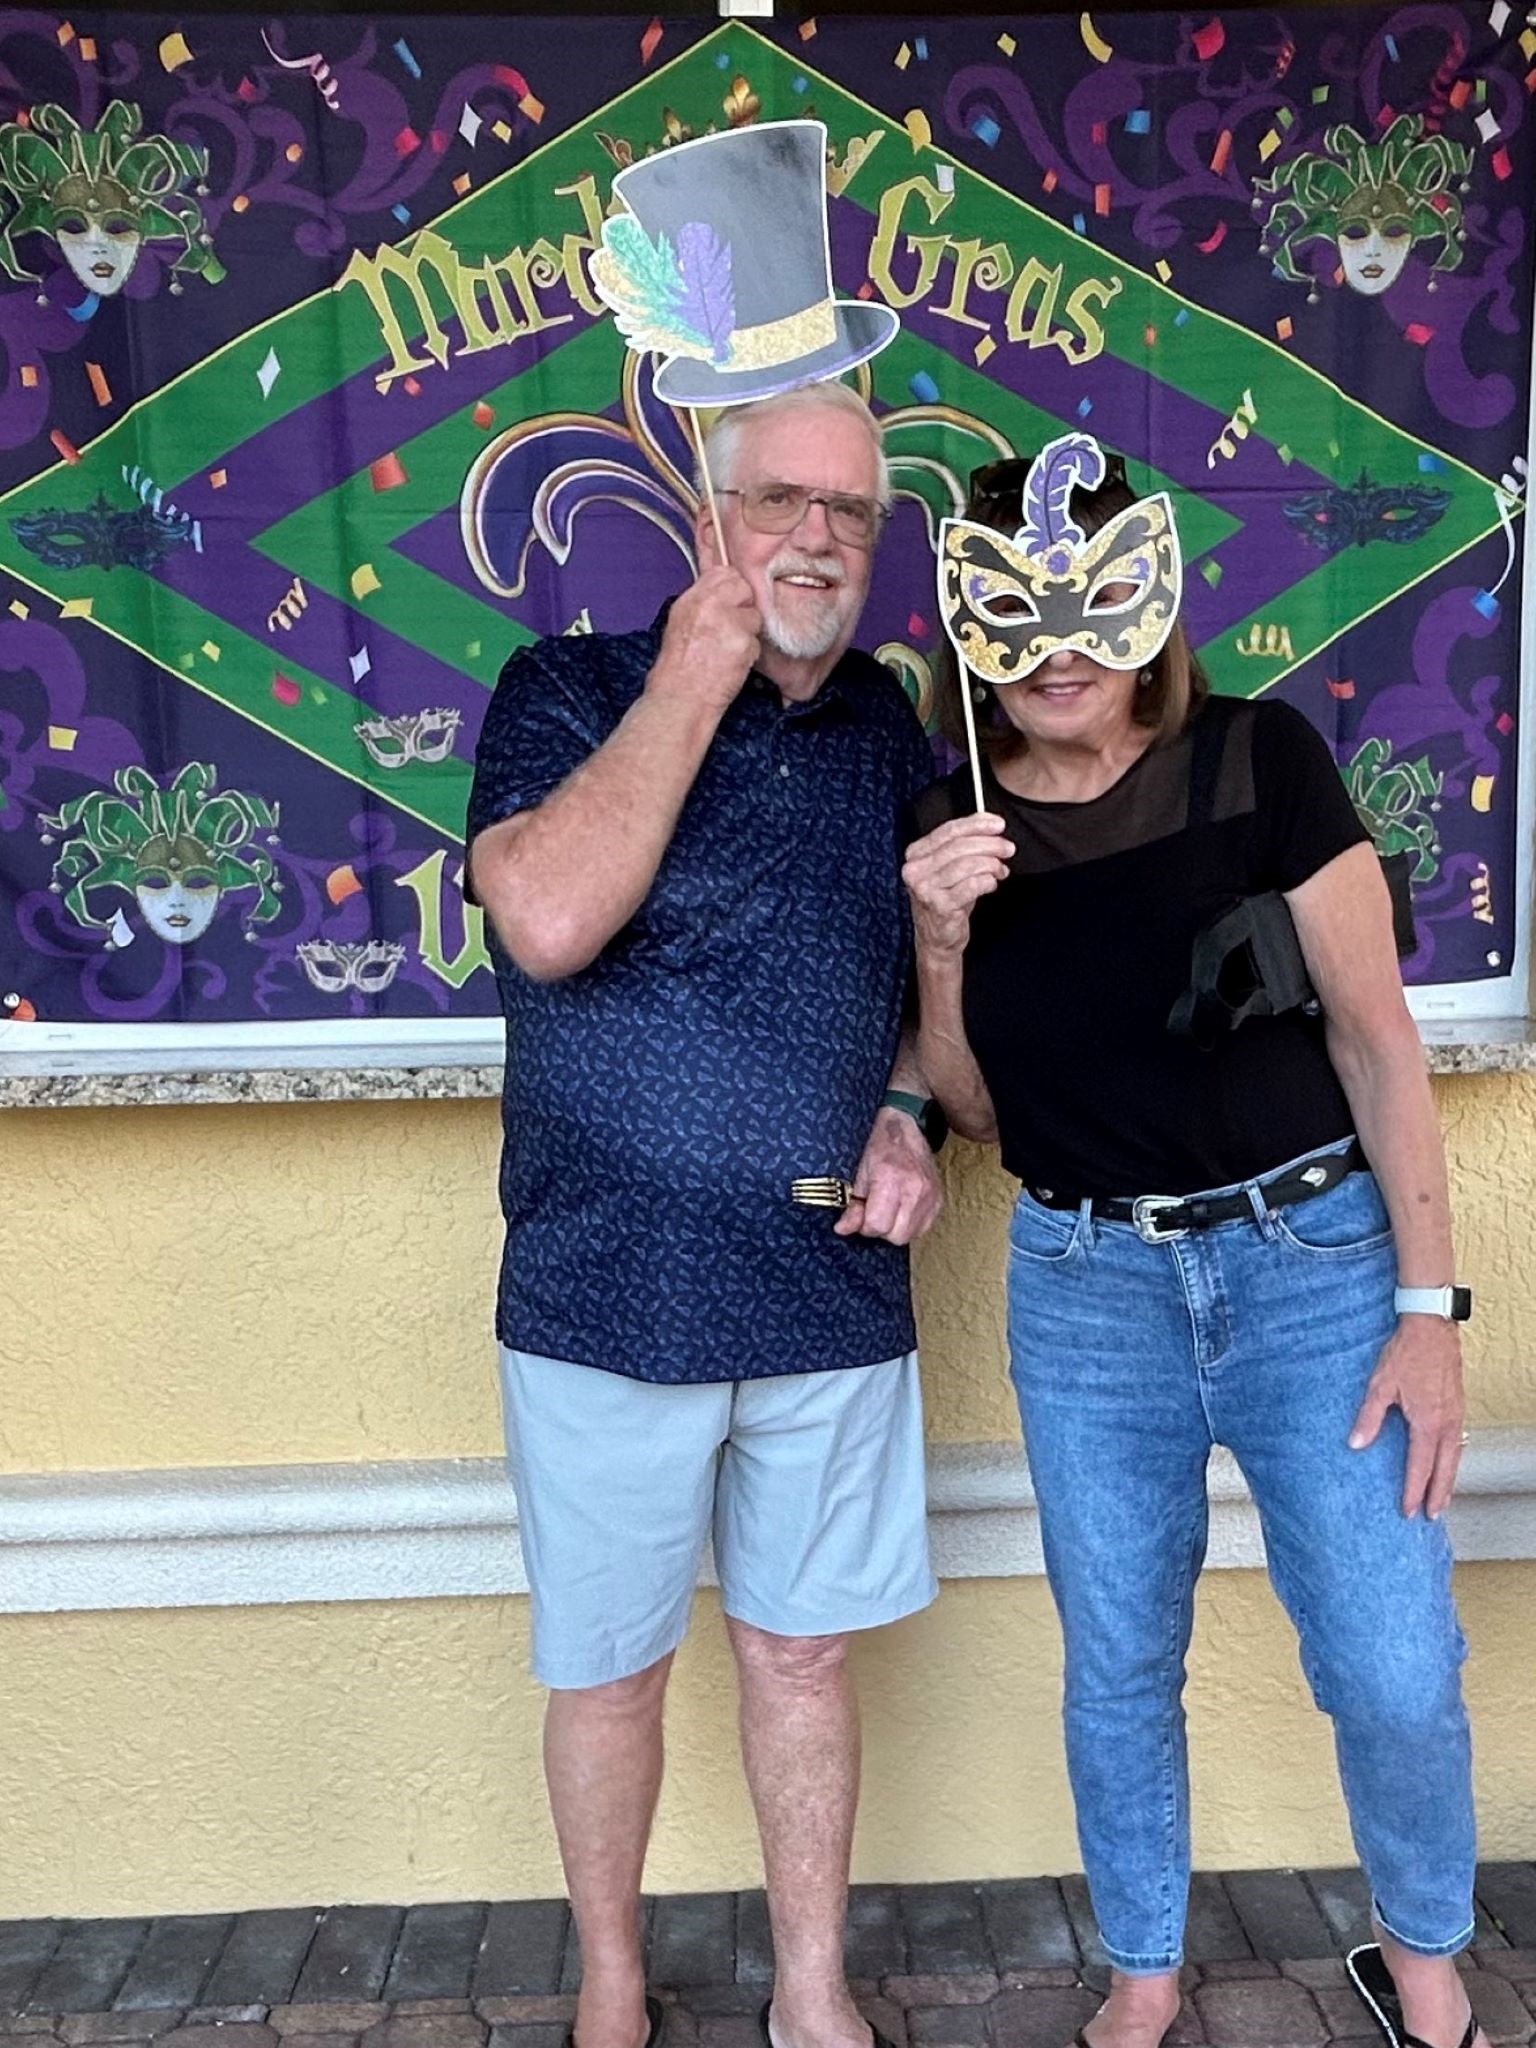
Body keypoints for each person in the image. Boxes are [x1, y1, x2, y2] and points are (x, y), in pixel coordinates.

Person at [903, 448, 1481, 2048]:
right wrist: (940, 939)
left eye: (1092, 600)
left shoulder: (1258, 760)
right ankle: (1145, 1972)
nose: (1057, 648)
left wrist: (1428, 1310)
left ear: (1151, 602)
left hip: (1314, 1271)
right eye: (1016, 616)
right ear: (968, 633)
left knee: (1390, 1660)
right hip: (1089, 1289)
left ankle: (1426, 1956)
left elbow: (1376, 1043)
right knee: (1118, 1658)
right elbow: (978, 1113)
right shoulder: (953, 820)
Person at [466, 380, 944, 2048]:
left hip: (828, 1285)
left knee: (803, 1659)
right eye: (780, 501)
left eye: (852, 510)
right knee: (610, 1668)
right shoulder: (566, 687)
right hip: (605, 1285)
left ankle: (810, 1994)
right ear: (705, 514)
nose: (817, 536)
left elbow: (928, 977)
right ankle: (612, 1985)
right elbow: (543, 919)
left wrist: (908, 1110)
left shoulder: (890, 729)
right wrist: (692, 675)